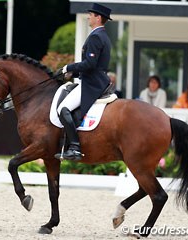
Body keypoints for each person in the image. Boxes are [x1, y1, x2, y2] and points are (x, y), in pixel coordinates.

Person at [54, 3, 112, 161]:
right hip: (96, 79)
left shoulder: (95, 36)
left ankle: (74, 147)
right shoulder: (103, 36)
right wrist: (74, 72)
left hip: (92, 83)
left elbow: (90, 64)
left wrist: (67, 67)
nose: (89, 17)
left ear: (98, 18)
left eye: (91, 15)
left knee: (63, 108)